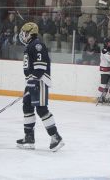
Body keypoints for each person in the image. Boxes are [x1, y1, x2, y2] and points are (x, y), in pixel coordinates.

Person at [17, 22, 64, 151]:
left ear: (30, 33)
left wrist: (34, 82)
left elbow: (40, 66)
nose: (22, 35)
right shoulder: (30, 45)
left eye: (24, 33)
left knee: (41, 109)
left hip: (39, 82)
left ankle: (55, 136)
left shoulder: (37, 45)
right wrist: (30, 83)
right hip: (32, 82)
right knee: (27, 106)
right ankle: (29, 138)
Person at [97, 38, 110, 103]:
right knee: (103, 84)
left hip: (109, 69)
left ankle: (103, 97)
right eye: (109, 42)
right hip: (104, 69)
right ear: (106, 43)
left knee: (107, 85)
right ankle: (99, 97)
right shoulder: (104, 50)